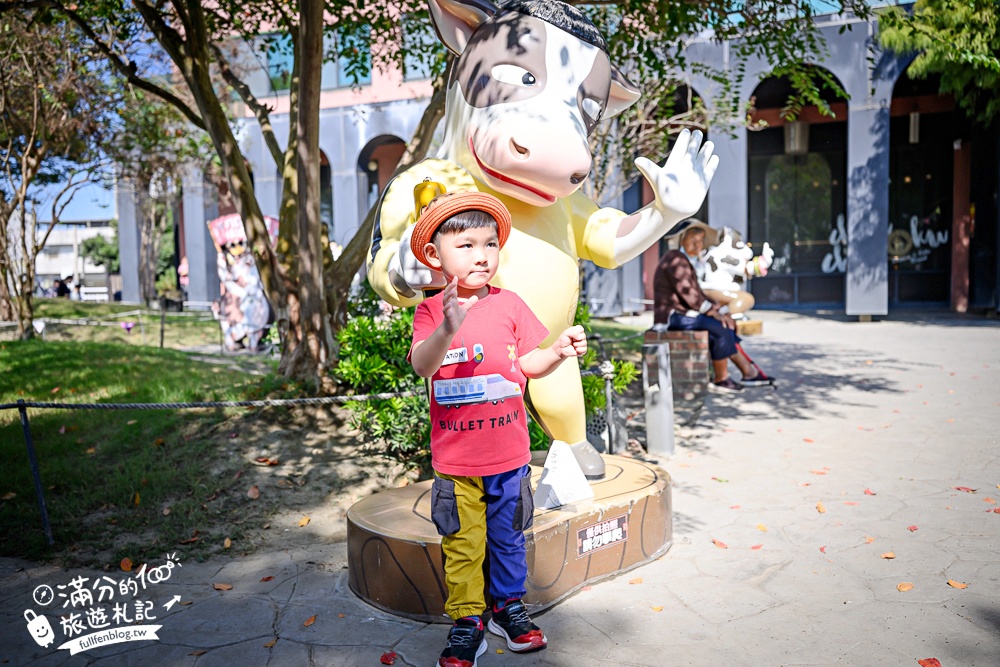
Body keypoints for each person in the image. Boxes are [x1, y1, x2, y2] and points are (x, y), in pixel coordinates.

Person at [408, 191, 587, 667]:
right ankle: (468, 621)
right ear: (435, 254)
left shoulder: (510, 305)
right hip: (457, 461)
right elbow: (424, 366)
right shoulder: (430, 312)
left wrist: (559, 351)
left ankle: (509, 607)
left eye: (489, 243)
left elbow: (528, 361)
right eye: (465, 245)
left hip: (509, 457)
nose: (481, 254)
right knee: (463, 544)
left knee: (508, 538)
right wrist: (447, 327)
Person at [653, 219, 774, 393]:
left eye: (701, 240)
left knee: (723, 326)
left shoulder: (685, 261)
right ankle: (723, 378)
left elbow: (698, 295)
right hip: (672, 317)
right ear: (681, 240)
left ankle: (747, 372)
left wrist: (719, 312)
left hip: (685, 315)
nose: (698, 244)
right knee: (719, 327)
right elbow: (690, 295)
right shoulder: (675, 259)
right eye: (693, 239)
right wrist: (714, 313)